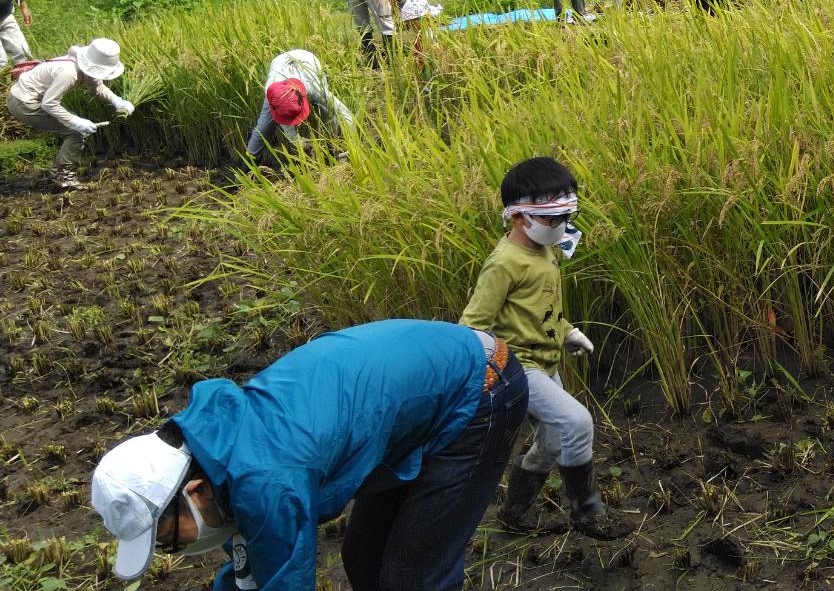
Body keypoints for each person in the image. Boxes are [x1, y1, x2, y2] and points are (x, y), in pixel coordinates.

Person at [88, 319, 527, 591]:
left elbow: (281, 576)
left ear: (194, 490)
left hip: (478, 388)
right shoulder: (214, 446)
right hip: (412, 401)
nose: (176, 552)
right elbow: (251, 567)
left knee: (412, 579)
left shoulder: (268, 481)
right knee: (364, 560)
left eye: (169, 539)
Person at [459, 156, 623, 539]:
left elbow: (542, 309)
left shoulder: (544, 251)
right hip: (518, 367)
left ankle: (513, 513)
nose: (561, 227)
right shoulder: (505, 263)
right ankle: (588, 512)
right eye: (552, 218)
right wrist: (485, 374)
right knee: (577, 422)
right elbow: (472, 325)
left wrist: (567, 333)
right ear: (520, 216)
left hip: (546, 361)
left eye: (565, 216)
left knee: (551, 439)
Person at [6, 37, 131, 189]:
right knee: (75, 132)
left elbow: (97, 87)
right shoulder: (69, 73)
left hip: (30, 100)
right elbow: (49, 103)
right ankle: (64, 178)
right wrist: (76, 122)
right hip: (23, 103)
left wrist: (117, 101)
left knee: (74, 130)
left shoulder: (85, 67)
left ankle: (58, 172)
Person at [245, 49, 355, 163]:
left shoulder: (314, 88)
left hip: (307, 60)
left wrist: (348, 145)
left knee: (327, 112)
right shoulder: (272, 92)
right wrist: (301, 142)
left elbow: (345, 114)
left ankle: (332, 145)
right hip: (279, 63)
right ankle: (248, 163)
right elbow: (284, 120)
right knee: (263, 126)